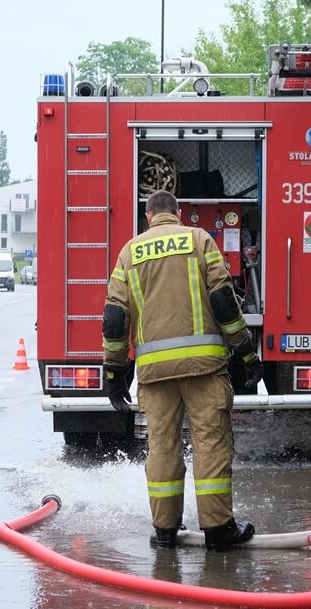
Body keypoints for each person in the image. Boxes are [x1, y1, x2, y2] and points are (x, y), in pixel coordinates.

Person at [102, 190, 260, 551]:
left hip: (155, 375)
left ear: (148, 217)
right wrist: (246, 353)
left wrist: (114, 373)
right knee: (210, 443)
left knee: (162, 447)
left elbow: (114, 318)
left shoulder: (130, 252)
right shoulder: (199, 239)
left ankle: (165, 531)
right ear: (179, 213)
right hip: (204, 369)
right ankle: (219, 530)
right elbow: (223, 302)